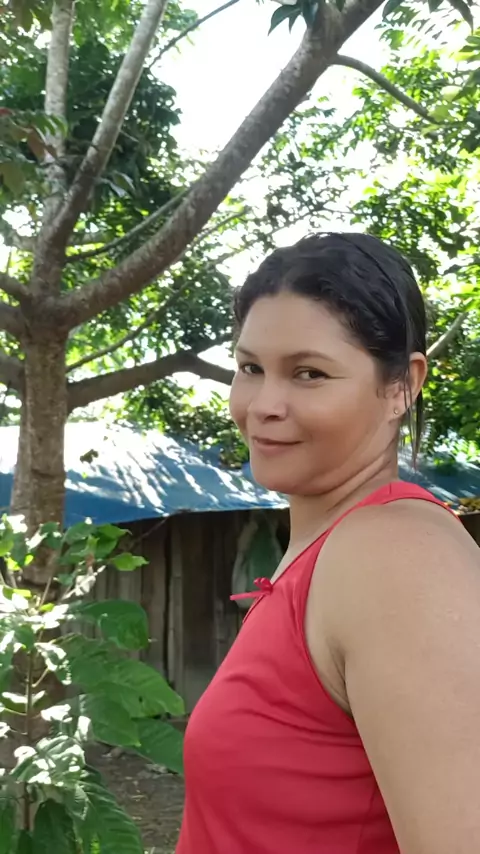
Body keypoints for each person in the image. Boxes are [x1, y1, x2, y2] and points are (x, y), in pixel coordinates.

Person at [175, 233, 480, 854]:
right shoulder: (328, 549)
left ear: (402, 386)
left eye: (308, 373)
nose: (264, 404)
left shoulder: (395, 559)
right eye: (250, 368)